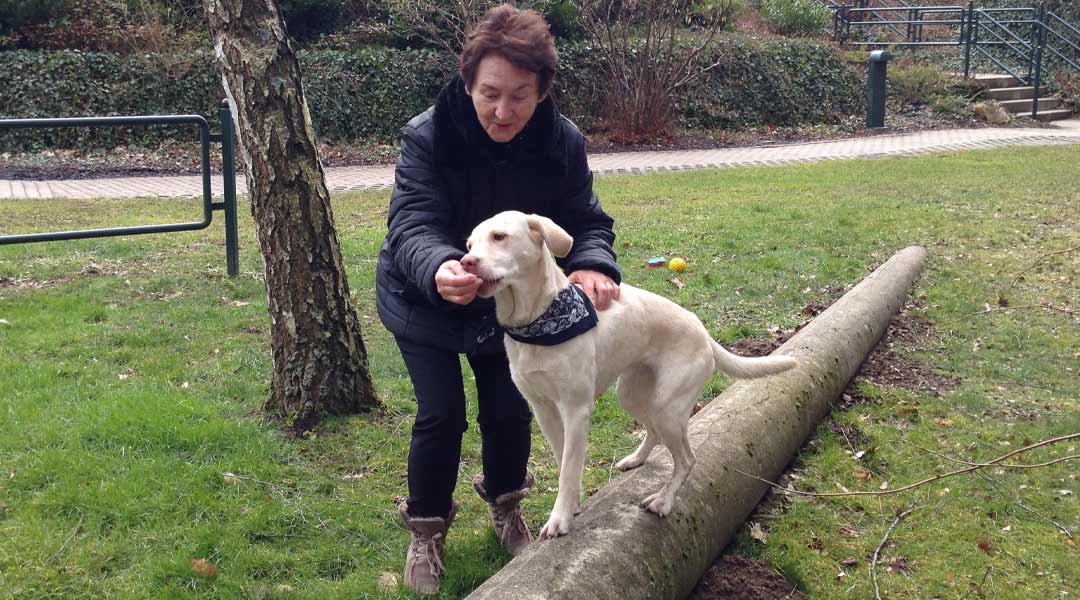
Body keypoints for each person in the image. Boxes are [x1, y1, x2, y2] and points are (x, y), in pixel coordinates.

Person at [375, 3, 621, 595]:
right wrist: (440, 268)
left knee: (509, 409)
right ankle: (427, 531)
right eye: (489, 93)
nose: (503, 110)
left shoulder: (561, 142)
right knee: (441, 414)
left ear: (542, 91)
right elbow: (411, 223)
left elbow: (585, 219)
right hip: (424, 295)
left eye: (520, 96)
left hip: (512, 309)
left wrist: (591, 262)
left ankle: (507, 505)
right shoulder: (428, 134)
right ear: (468, 84)